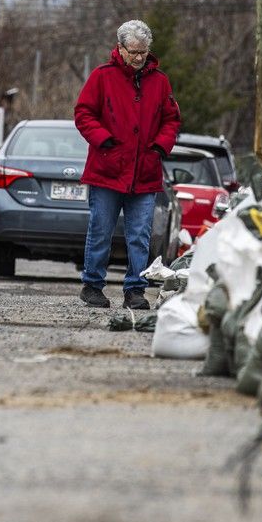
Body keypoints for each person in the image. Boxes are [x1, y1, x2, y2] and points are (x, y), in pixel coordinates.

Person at [73, 20, 181, 309]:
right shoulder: (101, 76)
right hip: (107, 169)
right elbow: (84, 113)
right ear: (120, 48)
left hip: (144, 173)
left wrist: (160, 145)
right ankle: (92, 285)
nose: (138, 57)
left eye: (143, 52)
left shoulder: (160, 81)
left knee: (140, 236)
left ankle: (135, 289)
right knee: (100, 231)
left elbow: (172, 119)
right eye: (133, 51)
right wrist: (103, 140)